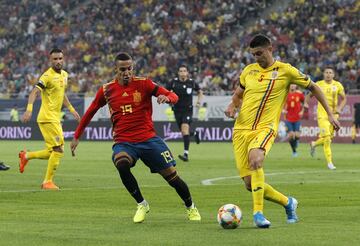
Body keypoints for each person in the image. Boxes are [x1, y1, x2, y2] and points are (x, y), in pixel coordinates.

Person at [225, 34, 340, 228]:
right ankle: (288, 202)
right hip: (240, 129)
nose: (256, 58)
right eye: (253, 55)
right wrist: (232, 106)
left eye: (259, 53)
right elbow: (238, 94)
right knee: (249, 184)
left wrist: (329, 114)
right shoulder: (248, 71)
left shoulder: (286, 71)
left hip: (265, 127)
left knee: (256, 160)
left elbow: (314, 88)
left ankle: (258, 214)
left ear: (270, 49)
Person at [70, 52, 201, 223]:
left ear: (133, 68)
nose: (127, 72)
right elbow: (90, 111)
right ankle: (142, 204)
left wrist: (167, 97)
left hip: (148, 139)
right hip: (124, 141)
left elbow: (173, 96)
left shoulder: (144, 84)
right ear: (115, 69)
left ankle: (191, 207)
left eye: (129, 68)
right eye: (122, 69)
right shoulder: (107, 90)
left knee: (172, 176)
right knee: (121, 163)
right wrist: (77, 135)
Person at [20, 48, 80, 190]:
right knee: (58, 150)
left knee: (52, 151)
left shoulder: (64, 75)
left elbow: (62, 94)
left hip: (54, 118)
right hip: (47, 117)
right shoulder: (47, 76)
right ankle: (47, 182)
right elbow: (34, 92)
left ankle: (26, 156)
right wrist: (29, 109)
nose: (58, 61)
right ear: (50, 60)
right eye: (55, 59)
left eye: (60, 58)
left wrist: (72, 110)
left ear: (63, 59)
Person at [306, 67, 346, 170]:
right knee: (327, 138)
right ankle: (329, 163)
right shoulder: (318, 84)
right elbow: (309, 95)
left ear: (333, 75)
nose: (328, 74)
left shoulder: (337, 85)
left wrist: (340, 108)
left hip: (334, 116)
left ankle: (314, 144)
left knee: (329, 138)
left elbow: (344, 98)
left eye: (330, 73)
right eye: (326, 72)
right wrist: (305, 104)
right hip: (322, 115)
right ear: (323, 74)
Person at [167, 65, 203, 162]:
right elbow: (165, 91)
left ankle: (186, 154)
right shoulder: (173, 82)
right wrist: (168, 100)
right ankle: (195, 133)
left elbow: (200, 92)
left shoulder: (191, 82)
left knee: (184, 129)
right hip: (177, 110)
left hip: (187, 110)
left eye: (184, 71)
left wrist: (199, 101)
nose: (183, 72)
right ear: (178, 73)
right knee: (184, 132)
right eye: (181, 71)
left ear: (187, 73)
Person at [282, 84, 305, 157]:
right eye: (291, 85)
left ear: (296, 86)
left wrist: (302, 111)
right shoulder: (286, 94)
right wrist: (283, 110)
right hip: (288, 118)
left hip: (297, 118)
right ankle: (294, 151)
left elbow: (304, 103)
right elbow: (281, 104)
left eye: (293, 85)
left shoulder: (299, 94)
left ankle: (296, 141)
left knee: (297, 135)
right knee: (291, 135)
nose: (292, 86)